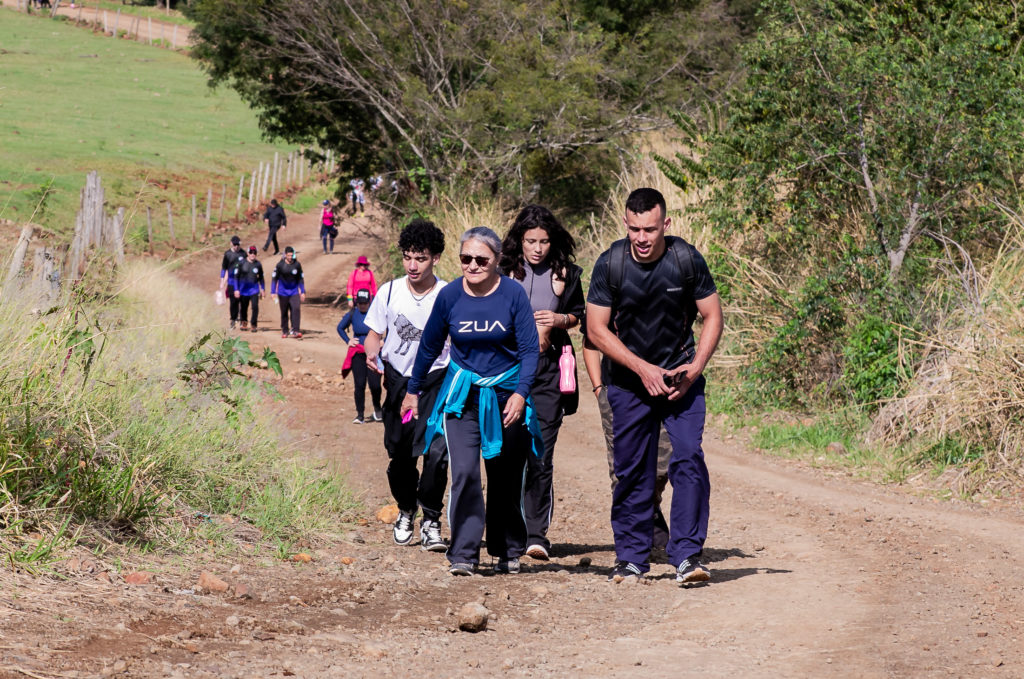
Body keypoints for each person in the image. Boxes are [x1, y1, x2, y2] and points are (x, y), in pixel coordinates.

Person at [586, 187, 723, 586]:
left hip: (682, 379)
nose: (641, 238)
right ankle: (630, 559)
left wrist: (696, 367)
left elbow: (712, 315)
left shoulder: (685, 259)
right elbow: (595, 329)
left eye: (649, 229)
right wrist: (641, 368)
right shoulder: (611, 263)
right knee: (632, 470)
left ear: (666, 224)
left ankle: (686, 556)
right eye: (634, 229)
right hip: (629, 383)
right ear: (625, 225)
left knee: (688, 459)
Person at [404, 227, 542, 577]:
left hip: (506, 396)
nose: (473, 265)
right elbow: (430, 346)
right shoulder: (450, 296)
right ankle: (464, 552)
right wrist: (413, 389)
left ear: (497, 260)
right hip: (462, 397)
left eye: (482, 259)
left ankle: (507, 548)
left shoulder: (512, 295)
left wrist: (520, 394)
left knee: (504, 475)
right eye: (466, 258)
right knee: (464, 472)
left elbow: (528, 350)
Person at [498, 205, 584, 561]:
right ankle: (506, 531)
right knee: (506, 453)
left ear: (553, 241)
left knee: (541, 454)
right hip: (508, 370)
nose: (537, 248)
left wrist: (557, 319)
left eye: (544, 241)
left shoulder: (567, 273)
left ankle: (536, 535)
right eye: (531, 240)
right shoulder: (502, 272)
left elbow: (580, 315)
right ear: (520, 240)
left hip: (549, 372)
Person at [363, 219, 450, 552]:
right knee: (400, 456)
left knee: (437, 454)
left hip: (437, 382)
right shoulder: (389, 291)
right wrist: (372, 353)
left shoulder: (448, 295)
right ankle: (406, 509)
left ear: (436, 258)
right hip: (398, 384)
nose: (413, 265)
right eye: (408, 257)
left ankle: (431, 518)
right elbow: (374, 334)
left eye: (421, 258)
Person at [582, 337, 672, 553]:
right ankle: (631, 545)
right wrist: (598, 389)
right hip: (619, 391)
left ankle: (648, 512)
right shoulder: (608, 302)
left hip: (664, 390)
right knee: (624, 469)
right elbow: (591, 340)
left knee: (663, 466)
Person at [338, 289, 383, 424]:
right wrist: (348, 341)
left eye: (365, 303)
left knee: (375, 385)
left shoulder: (376, 313)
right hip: (358, 354)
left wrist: (383, 340)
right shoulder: (353, 314)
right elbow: (340, 328)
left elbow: (388, 325)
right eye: (360, 303)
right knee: (360, 384)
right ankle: (360, 415)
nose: (362, 305)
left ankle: (377, 410)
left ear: (369, 302)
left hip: (374, 353)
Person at [271, 246, 306, 339]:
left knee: (296, 309)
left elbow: (300, 279)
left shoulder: (297, 265)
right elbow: (274, 279)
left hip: (294, 291)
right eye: (288, 255)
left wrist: (302, 291)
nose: (290, 258)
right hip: (282, 292)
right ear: (285, 255)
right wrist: (273, 292)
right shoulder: (280, 265)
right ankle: (285, 330)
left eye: (292, 255)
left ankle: (296, 330)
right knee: (284, 312)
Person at [233, 246, 266, 332]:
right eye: (251, 252)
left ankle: (253, 324)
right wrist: (236, 289)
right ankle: (244, 322)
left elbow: (261, 277)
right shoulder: (241, 263)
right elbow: (236, 277)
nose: (252, 254)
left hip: (254, 290)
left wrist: (263, 289)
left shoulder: (258, 264)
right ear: (247, 253)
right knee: (243, 307)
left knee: (255, 307)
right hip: (243, 290)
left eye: (254, 253)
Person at [219, 235, 246, 330]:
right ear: (231, 243)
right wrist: (222, 280)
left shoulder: (243, 254)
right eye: (234, 245)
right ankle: (233, 320)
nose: (236, 246)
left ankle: (243, 320)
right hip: (231, 281)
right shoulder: (227, 254)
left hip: (241, 282)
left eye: (238, 244)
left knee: (242, 302)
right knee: (233, 302)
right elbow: (224, 268)